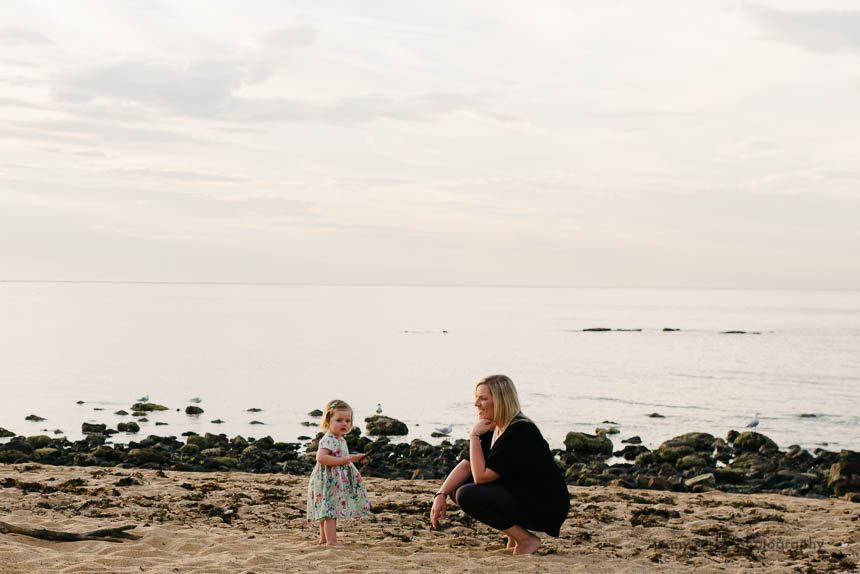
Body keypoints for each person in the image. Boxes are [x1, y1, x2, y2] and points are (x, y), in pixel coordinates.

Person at [429, 375, 570, 555]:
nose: (476, 404)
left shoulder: (520, 430)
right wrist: (441, 494)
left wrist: (474, 436)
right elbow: (467, 465)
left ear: (501, 400)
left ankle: (526, 540)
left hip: (545, 506)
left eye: (483, 398)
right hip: (522, 495)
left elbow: (480, 477)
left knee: (467, 493)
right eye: (477, 398)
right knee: (459, 487)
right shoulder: (494, 427)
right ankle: (513, 538)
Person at [306, 399, 371, 546]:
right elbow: (321, 457)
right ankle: (331, 540)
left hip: (332, 480)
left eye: (348, 421)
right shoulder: (329, 439)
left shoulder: (339, 439)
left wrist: (354, 458)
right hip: (327, 480)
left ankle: (323, 539)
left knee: (327, 508)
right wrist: (344, 461)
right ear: (328, 420)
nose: (344, 424)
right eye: (339, 420)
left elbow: (341, 456)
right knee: (330, 510)